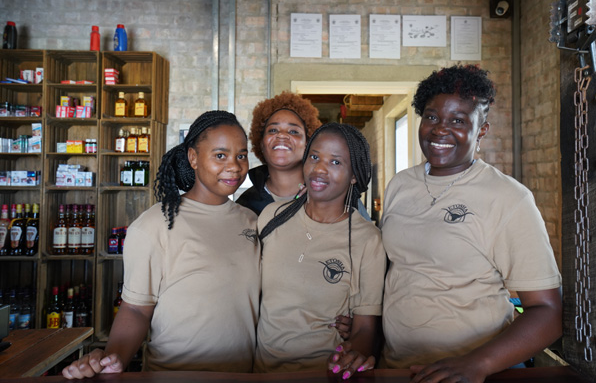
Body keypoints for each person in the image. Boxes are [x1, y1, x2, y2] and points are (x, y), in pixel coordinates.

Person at [380, 65, 562, 383]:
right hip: (397, 368)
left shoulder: (508, 197)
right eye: (432, 117)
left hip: (479, 373)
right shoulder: (400, 185)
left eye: (458, 121)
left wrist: (477, 364)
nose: (440, 129)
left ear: (481, 130)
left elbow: (547, 312)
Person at [63, 111, 259, 379]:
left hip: (243, 376)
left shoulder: (250, 221)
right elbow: (135, 309)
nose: (235, 166)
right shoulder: (155, 225)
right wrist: (115, 357)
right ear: (193, 158)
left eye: (242, 155)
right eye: (220, 155)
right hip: (174, 376)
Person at [254, 123, 386, 378]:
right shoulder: (272, 217)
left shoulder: (367, 240)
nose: (320, 169)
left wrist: (351, 355)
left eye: (336, 162)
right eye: (314, 157)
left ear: (354, 175)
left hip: (325, 374)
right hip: (263, 373)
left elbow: (364, 330)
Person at [237, 91, 322, 215]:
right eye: (272, 130)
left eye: (293, 131)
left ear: (308, 143)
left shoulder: (331, 197)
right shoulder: (245, 206)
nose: (281, 135)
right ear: (261, 143)